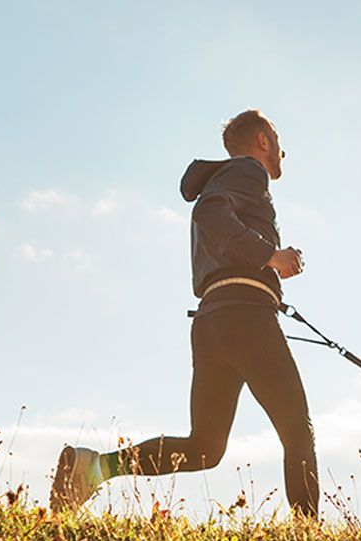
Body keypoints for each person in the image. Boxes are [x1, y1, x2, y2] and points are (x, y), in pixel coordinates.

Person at [49, 109, 319, 519]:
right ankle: (307, 538)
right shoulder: (249, 171)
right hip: (245, 318)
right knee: (297, 430)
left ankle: (95, 467)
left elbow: (214, 218)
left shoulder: (227, 177)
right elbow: (209, 212)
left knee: (205, 447)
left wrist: (269, 266)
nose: (283, 151)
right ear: (263, 140)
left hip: (213, 321)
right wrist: (270, 255)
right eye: (278, 140)